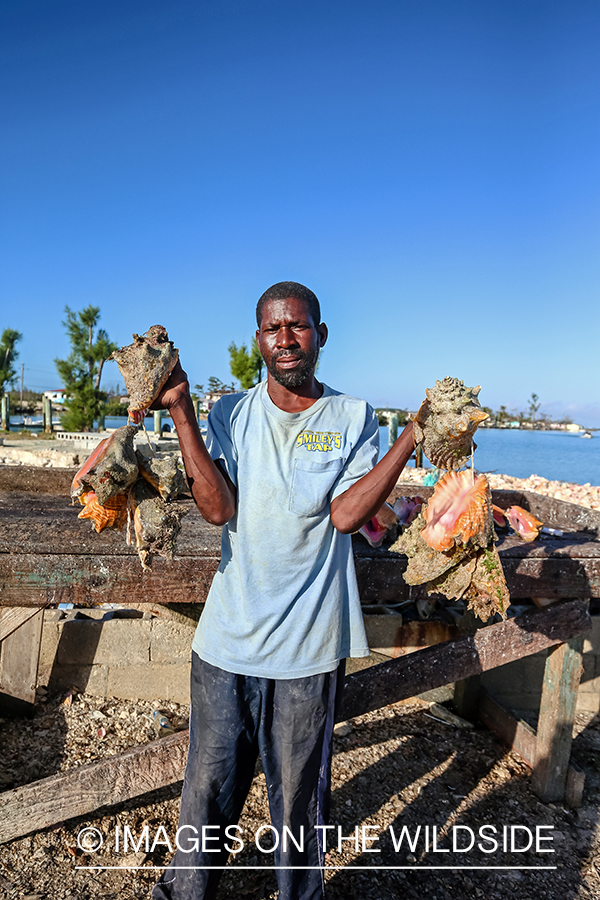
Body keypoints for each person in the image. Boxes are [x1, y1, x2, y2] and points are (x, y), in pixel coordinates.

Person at [151, 282, 416, 900]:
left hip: (307, 650)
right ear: (259, 340)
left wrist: (411, 437)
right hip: (226, 644)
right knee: (206, 794)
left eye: (298, 326)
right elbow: (216, 509)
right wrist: (182, 411)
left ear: (320, 335)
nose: (286, 339)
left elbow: (349, 516)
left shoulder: (353, 417)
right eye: (274, 329)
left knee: (298, 802)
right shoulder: (229, 414)